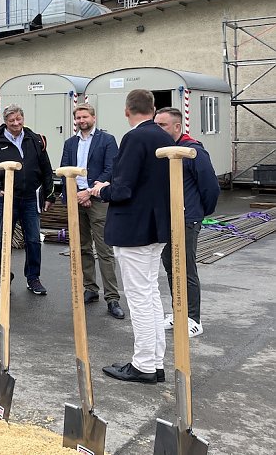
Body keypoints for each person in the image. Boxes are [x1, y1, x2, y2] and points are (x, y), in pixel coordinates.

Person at [91, 89, 174, 384]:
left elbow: (123, 188)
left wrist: (101, 189)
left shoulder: (135, 137)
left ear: (128, 111)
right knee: (150, 294)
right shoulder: (165, 137)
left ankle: (143, 365)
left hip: (134, 229)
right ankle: (155, 361)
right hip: (156, 227)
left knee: (139, 298)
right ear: (152, 109)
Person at [154, 107, 220, 338]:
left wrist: (198, 213)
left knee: (186, 268)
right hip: (166, 219)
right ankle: (178, 312)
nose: (158, 128)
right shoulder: (163, 153)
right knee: (171, 267)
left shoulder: (193, 152)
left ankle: (193, 319)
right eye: (156, 124)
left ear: (177, 127)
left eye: (162, 125)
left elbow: (211, 188)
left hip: (187, 220)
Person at [0, 104, 55, 295]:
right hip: (7, 199)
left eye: (18, 119)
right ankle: (4, 277)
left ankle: (33, 278)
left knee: (33, 240)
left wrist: (50, 194)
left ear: (23, 118)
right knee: (2, 241)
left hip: (30, 198)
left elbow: (46, 170)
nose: (16, 123)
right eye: (11, 120)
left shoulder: (35, 140)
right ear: (5, 122)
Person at [60, 105, 124, 320]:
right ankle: (90, 289)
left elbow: (111, 169)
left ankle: (112, 297)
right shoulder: (70, 143)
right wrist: (77, 194)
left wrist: (89, 193)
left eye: (85, 116)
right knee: (83, 247)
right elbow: (64, 169)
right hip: (76, 198)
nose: (81, 120)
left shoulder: (106, 140)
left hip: (97, 199)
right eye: (78, 117)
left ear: (93, 117)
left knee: (104, 250)